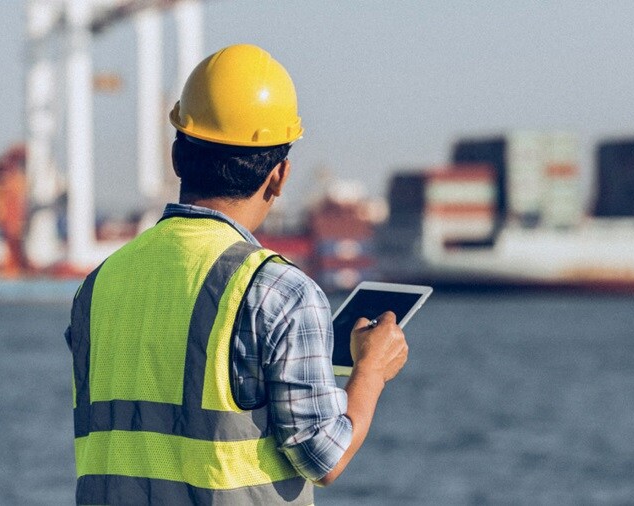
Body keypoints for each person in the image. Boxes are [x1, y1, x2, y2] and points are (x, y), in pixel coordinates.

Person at [65, 43, 409, 505]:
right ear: (280, 176)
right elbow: (323, 457)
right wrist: (370, 370)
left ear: (176, 156)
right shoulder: (280, 292)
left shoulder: (99, 284)